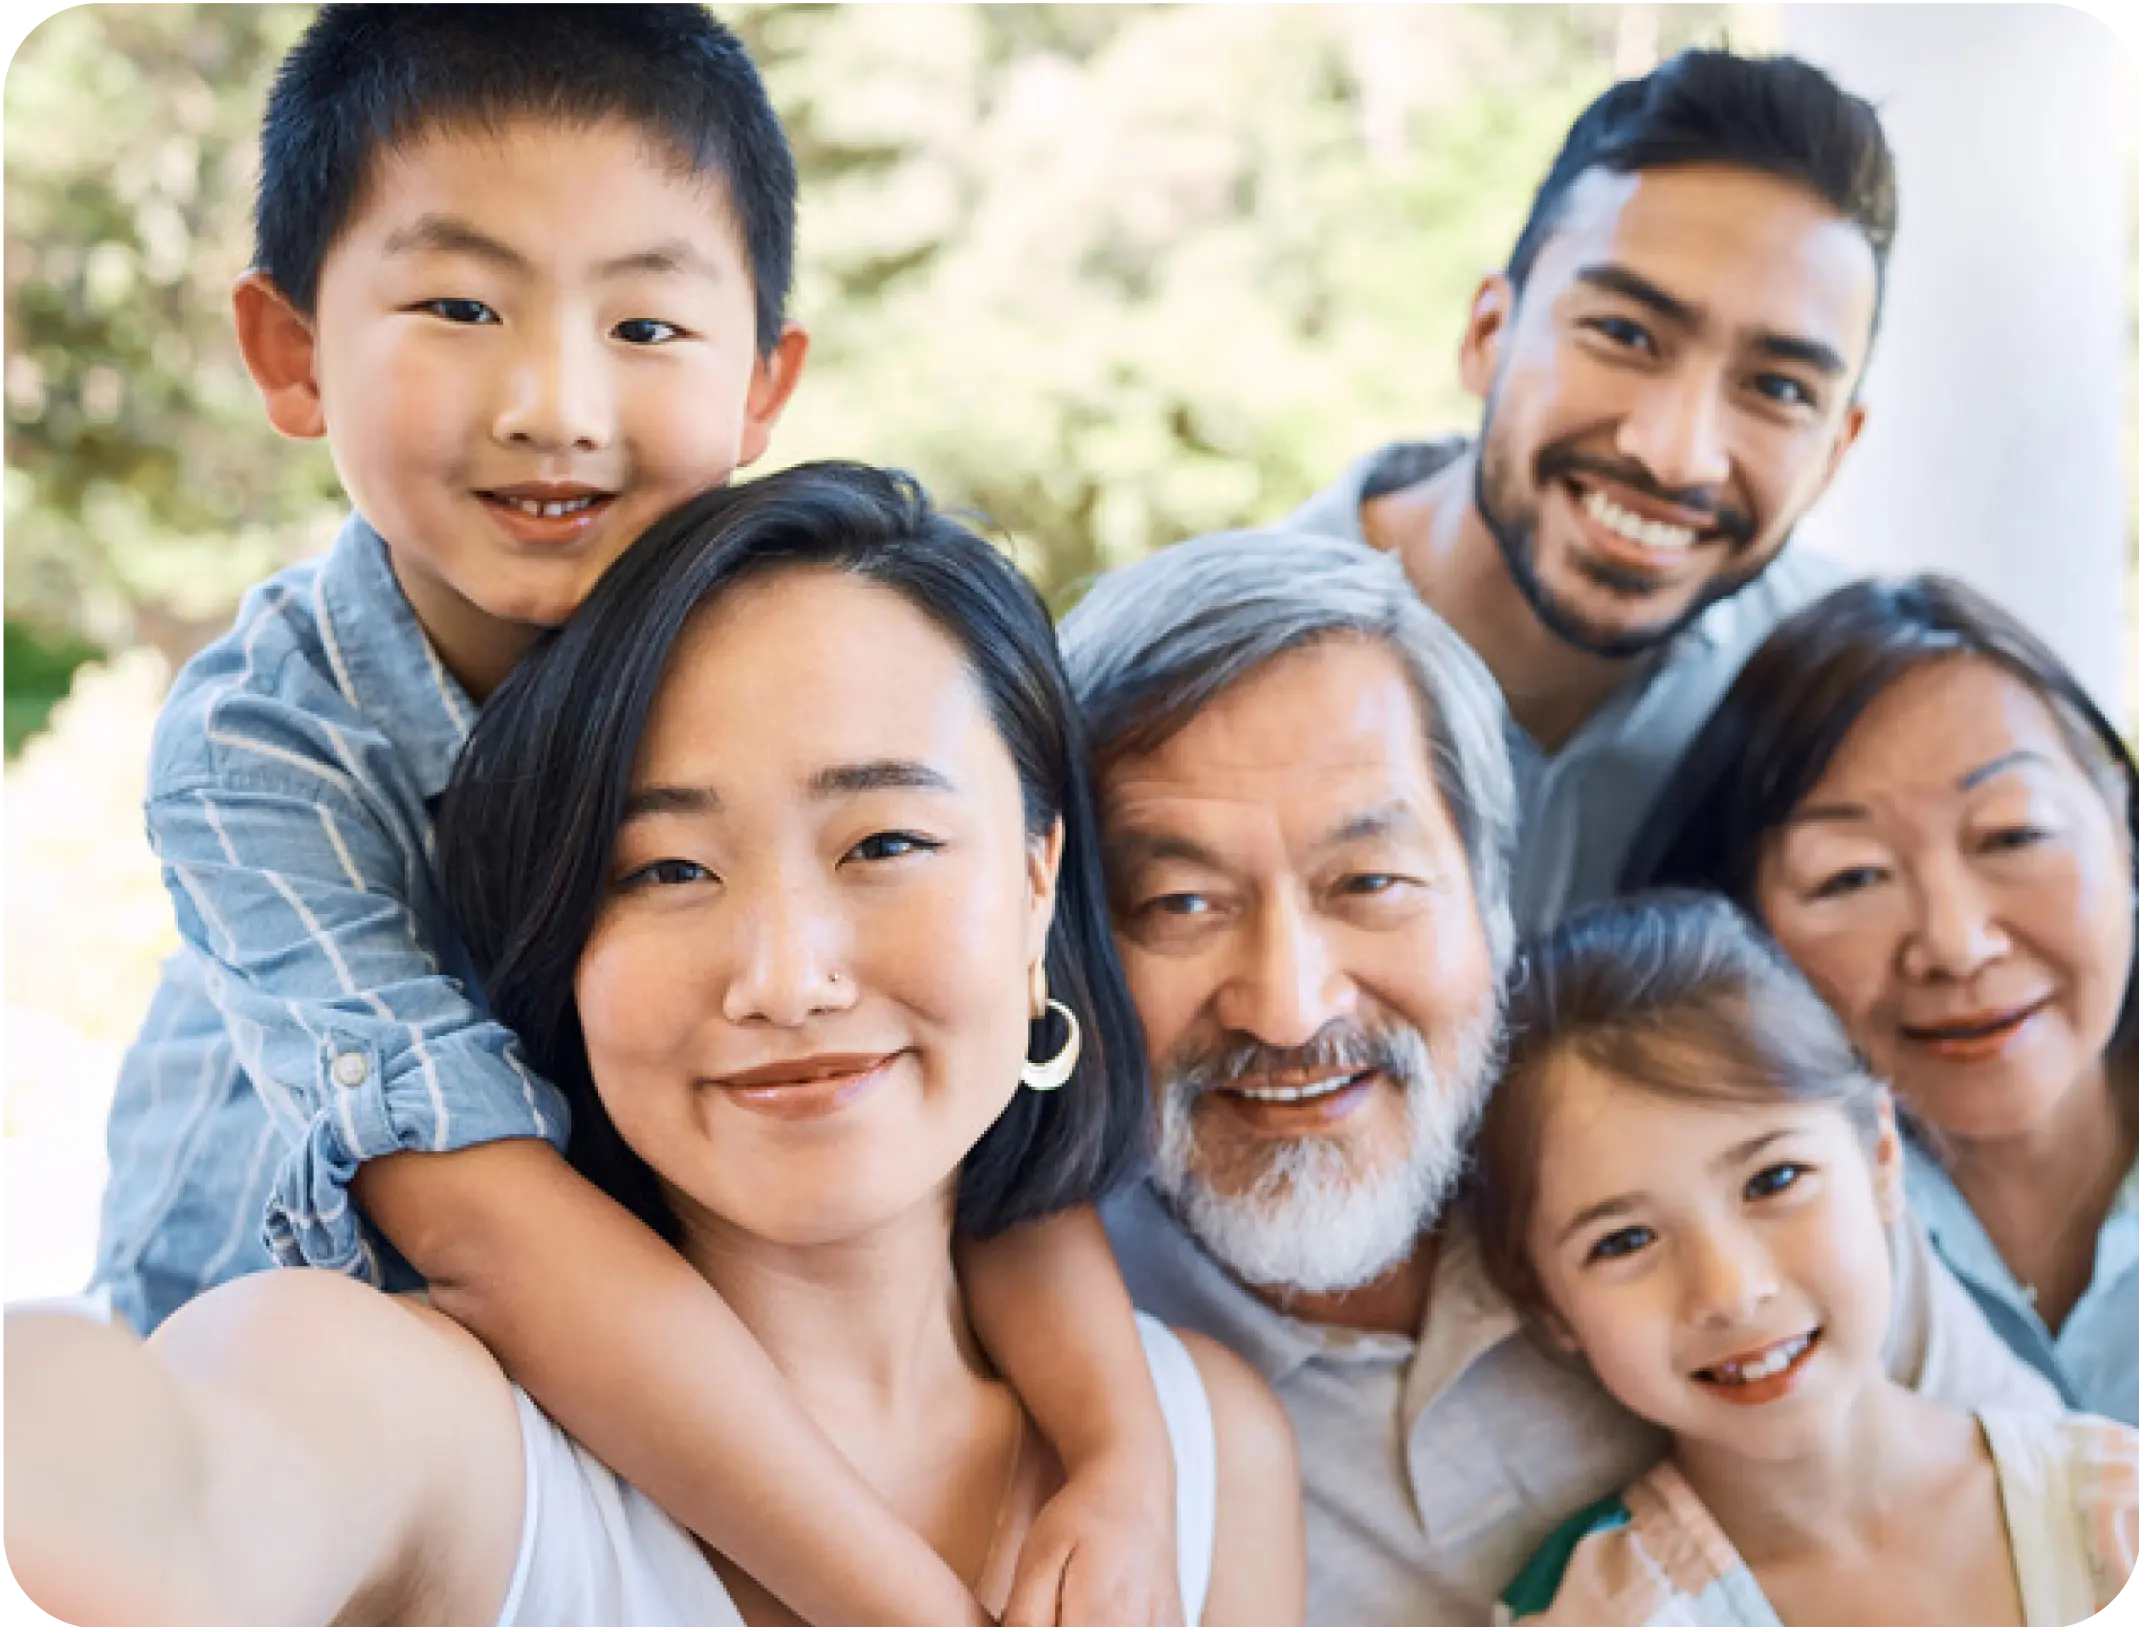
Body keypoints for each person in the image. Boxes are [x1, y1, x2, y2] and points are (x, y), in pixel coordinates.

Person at [89, 7, 1182, 1624]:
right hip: (325, 1437)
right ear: (291, 349)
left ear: (764, 379)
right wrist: (904, 1600)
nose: (553, 403)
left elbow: (948, 1107)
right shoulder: (270, 750)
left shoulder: (760, 651)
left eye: (647, 324)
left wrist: (1124, 1459)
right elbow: (480, 1231)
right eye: (459, 303)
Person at [3, 461, 1306, 1627]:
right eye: (666, 867)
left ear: (1036, 882)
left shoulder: (1201, 1458)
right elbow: (178, 1465)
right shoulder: (449, 1436)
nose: (786, 978)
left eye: (884, 843)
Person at [1057, 529, 2055, 1627]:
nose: (1290, 1004)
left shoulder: (1748, 1155)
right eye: (1179, 905)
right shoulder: (1059, 1367)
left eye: (1371, 880)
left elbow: (2040, 1527)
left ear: (1492, 907)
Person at [1287, 47, 1892, 931]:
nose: (1677, 456)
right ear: (1488, 333)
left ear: (1835, 450)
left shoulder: (1862, 695)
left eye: (1778, 388)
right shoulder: (1180, 674)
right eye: (1623, 333)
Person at [1471, 893, 2139, 1626]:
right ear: (1545, 1302)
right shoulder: (1589, 1611)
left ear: (1881, 1156)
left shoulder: (2113, 1508)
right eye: (1624, 1240)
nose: (1730, 1290)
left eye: (1773, 1180)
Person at [1628, 575, 2139, 1426]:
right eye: (1850, 875)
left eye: (2012, 835)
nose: (1955, 943)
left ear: (2122, 829)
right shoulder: (1730, 1259)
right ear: (1745, 927)